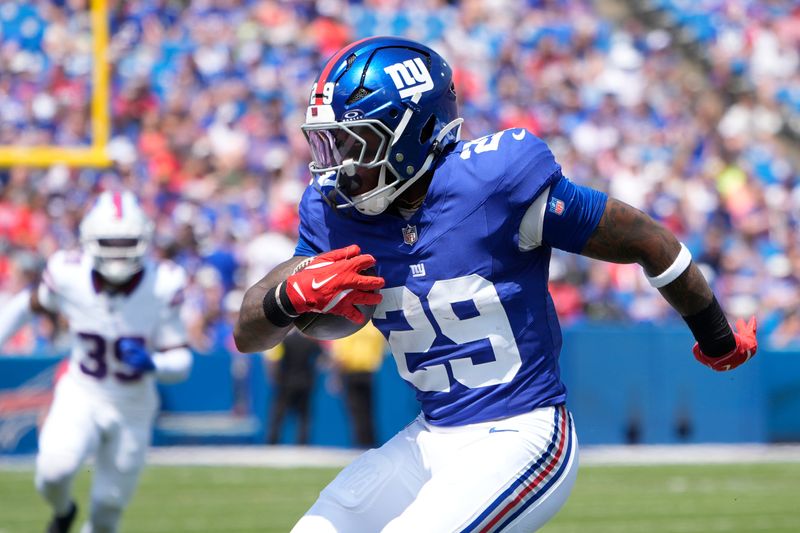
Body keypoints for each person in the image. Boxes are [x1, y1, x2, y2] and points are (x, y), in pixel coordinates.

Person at [234, 36, 758, 532]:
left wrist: (716, 334)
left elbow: (647, 240)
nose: (339, 167)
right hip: (431, 435)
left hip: (524, 431)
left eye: (355, 143)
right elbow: (249, 331)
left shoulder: (494, 182)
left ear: (410, 133)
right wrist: (286, 299)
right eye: (330, 145)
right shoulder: (334, 216)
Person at [0, 190, 192, 533]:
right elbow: (26, 306)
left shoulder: (163, 282)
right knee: (53, 472)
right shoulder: (68, 273)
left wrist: (154, 364)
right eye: (110, 241)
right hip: (83, 391)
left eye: (126, 241)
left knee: (107, 512)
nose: (118, 250)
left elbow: (181, 359)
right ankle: (64, 512)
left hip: (133, 404)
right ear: (90, 240)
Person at [329, 323, 386, 448]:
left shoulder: (348, 327)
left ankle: (360, 444)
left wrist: (335, 377)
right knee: (368, 410)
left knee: (355, 411)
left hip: (351, 371)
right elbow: (380, 349)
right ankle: (370, 443)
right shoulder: (373, 328)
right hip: (368, 372)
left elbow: (341, 355)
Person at [265, 328, 323, 445]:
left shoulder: (285, 341)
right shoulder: (311, 342)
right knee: (304, 416)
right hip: (305, 382)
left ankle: (272, 442)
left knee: (279, 414)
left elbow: (275, 360)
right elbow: (321, 358)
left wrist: (274, 378)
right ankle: (303, 443)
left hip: (286, 382)